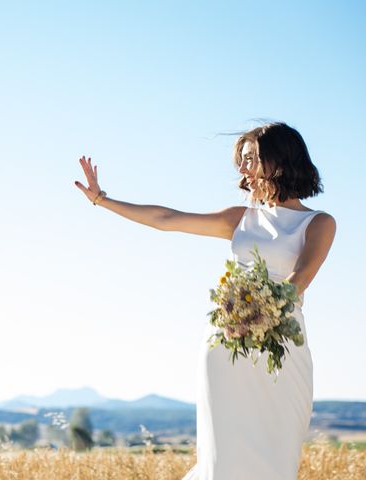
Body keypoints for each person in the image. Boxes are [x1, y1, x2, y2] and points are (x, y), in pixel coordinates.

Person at [74, 121, 336, 479]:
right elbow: (167, 219)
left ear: (280, 160)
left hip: (283, 346)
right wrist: (102, 200)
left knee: (278, 453)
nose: (242, 170)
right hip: (227, 344)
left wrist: (258, 314)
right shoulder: (240, 219)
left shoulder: (318, 223)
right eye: (241, 161)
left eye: (250, 159)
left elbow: (299, 280)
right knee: (224, 455)